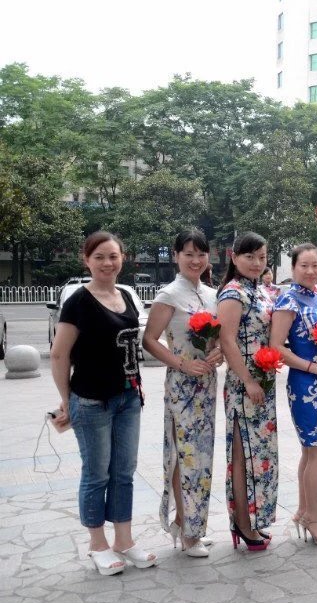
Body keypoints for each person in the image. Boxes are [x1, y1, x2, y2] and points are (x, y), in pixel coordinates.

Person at [50, 231, 156, 575]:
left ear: (123, 258)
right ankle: (98, 544)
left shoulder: (126, 295)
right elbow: (59, 354)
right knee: (96, 474)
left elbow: (129, 348)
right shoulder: (78, 301)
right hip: (91, 401)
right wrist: (67, 401)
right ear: (87, 261)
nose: (107, 263)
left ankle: (124, 540)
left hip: (128, 398)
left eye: (113, 256)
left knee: (124, 471)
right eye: (99, 257)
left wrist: (136, 384)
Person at [143, 229, 221, 558]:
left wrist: (217, 352)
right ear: (176, 256)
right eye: (188, 253)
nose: (195, 260)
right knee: (185, 455)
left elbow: (219, 337)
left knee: (202, 456)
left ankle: (190, 523)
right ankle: (189, 531)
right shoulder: (169, 294)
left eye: (201, 254)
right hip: (182, 385)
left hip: (208, 384)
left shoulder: (213, 294)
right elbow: (149, 339)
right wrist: (182, 363)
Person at [269, 244, 317, 546]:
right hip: (306, 383)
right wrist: (312, 367)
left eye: (315, 265)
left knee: (312, 452)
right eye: (304, 266)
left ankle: (302, 511)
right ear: (293, 268)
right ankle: (314, 517)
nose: (311, 271)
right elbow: (276, 346)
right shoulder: (288, 299)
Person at [217, 232, 277, 551]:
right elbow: (227, 341)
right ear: (234, 257)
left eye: (261, 257)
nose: (256, 263)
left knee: (260, 455)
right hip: (244, 386)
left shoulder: (261, 290)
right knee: (243, 455)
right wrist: (249, 381)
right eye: (249, 256)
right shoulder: (233, 292)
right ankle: (242, 522)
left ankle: (253, 520)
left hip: (263, 382)